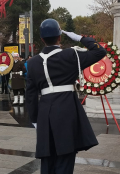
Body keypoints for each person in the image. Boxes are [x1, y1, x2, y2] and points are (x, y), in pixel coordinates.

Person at [26, 19, 106, 174]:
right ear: (59, 37)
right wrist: (80, 38)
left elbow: (30, 94)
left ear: (42, 39)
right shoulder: (71, 55)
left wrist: (35, 119)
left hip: (44, 112)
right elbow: (99, 51)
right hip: (66, 109)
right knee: (65, 156)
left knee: (47, 159)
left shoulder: (34, 62)